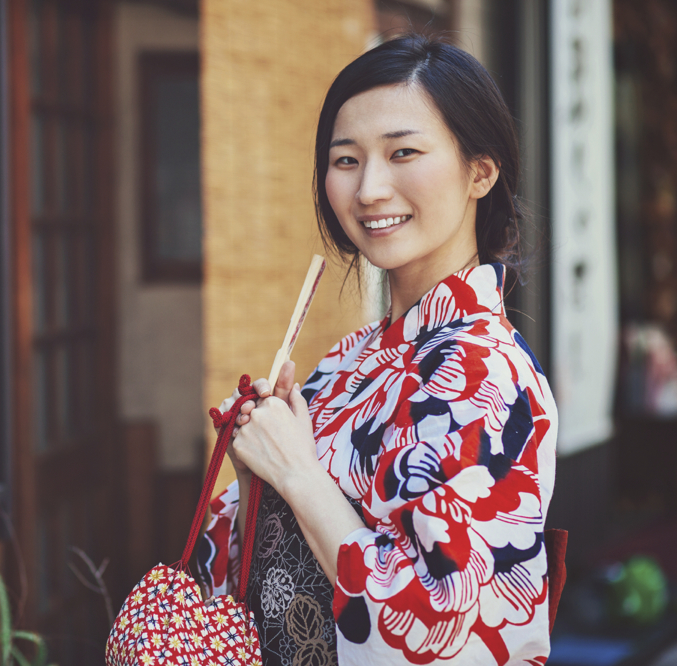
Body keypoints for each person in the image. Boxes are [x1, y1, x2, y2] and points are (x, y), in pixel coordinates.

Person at [193, 34, 557, 665]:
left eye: (404, 152)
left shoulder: (483, 373)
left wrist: (297, 473)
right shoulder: (349, 362)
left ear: (481, 170)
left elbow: (445, 633)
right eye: (345, 160)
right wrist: (257, 469)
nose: (369, 190)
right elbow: (260, 586)